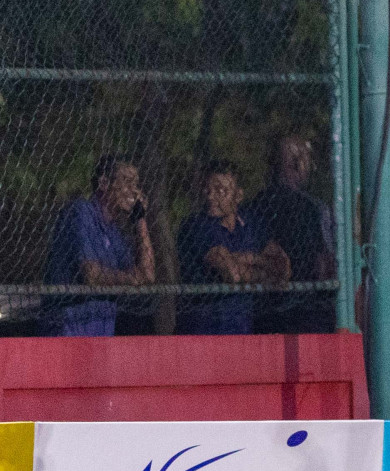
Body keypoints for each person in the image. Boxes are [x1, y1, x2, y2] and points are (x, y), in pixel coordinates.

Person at [40, 154, 156, 336]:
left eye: (136, 184)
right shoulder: (81, 212)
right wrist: (130, 279)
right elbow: (91, 275)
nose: (135, 191)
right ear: (103, 183)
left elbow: (147, 275)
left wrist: (140, 219)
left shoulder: (114, 231)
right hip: (68, 329)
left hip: (100, 332)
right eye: (127, 182)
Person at [177, 160, 291, 335]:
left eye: (220, 191)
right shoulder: (196, 225)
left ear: (238, 196)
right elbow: (232, 273)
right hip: (203, 331)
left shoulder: (251, 224)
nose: (211, 197)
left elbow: (282, 266)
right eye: (207, 189)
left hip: (241, 331)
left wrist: (244, 259)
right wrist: (262, 268)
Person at [246, 135, 338, 332]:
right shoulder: (313, 209)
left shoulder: (255, 205)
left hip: (266, 307)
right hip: (307, 307)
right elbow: (324, 263)